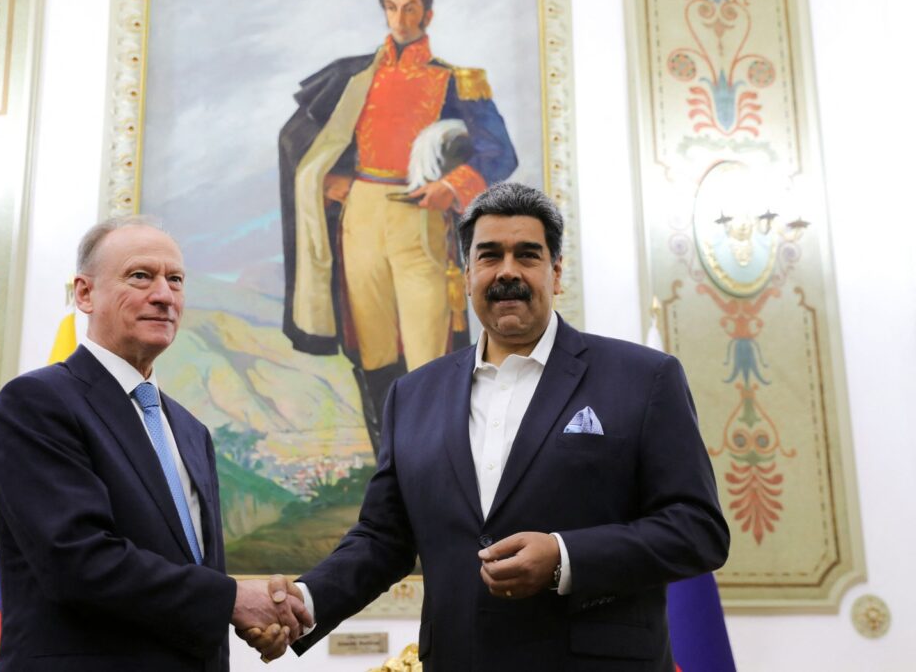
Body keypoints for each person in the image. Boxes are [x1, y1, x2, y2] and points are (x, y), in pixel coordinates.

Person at [266, 183, 730, 670]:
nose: (507, 270)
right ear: (467, 274)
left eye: (527, 255)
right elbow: (384, 539)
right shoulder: (413, 395)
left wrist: (564, 556)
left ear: (556, 272)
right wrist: (303, 602)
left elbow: (698, 530)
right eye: (489, 256)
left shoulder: (643, 378)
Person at [0, 218, 311, 671]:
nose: (164, 295)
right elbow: (79, 562)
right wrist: (233, 599)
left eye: (175, 280)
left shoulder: (191, 431)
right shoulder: (37, 403)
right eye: (141, 276)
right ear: (84, 293)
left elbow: (193, 576)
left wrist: (250, 617)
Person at [278, 0, 518, 453]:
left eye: (410, 7)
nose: (401, 17)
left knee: (431, 351)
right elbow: (302, 138)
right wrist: (330, 177)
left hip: (421, 219)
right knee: (372, 350)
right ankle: (390, 468)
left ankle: (438, 466)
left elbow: (500, 152)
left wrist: (451, 187)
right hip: (361, 219)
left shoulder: (457, 81)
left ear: (428, 13)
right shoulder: (354, 77)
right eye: (392, 6)